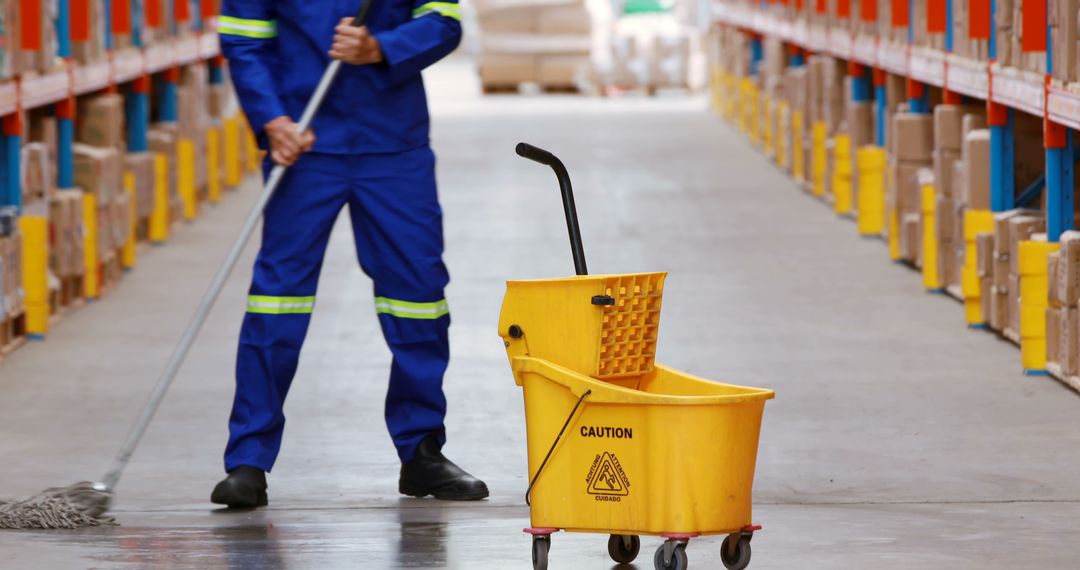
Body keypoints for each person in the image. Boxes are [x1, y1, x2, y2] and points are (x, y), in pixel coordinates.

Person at [210, 0, 488, 507]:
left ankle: (422, 450)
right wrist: (271, 119)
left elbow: (444, 22)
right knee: (277, 302)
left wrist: (382, 47)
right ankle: (248, 461)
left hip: (392, 144)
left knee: (418, 297)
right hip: (304, 140)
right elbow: (244, 39)